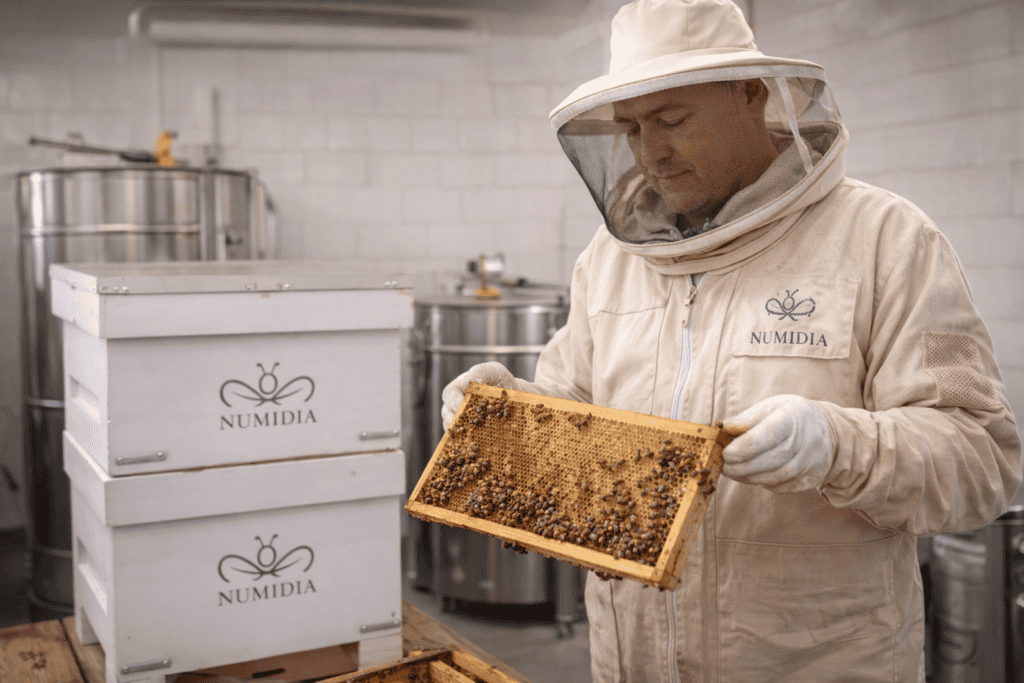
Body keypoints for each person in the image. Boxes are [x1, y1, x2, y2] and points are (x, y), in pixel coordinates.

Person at [440, 0, 1022, 680]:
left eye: (673, 119)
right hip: (632, 662)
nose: (648, 149)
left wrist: (838, 444)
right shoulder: (612, 256)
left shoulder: (886, 239)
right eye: (630, 128)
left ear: (752, 95)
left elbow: (983, 460)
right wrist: (514, 413)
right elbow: (577, 403)